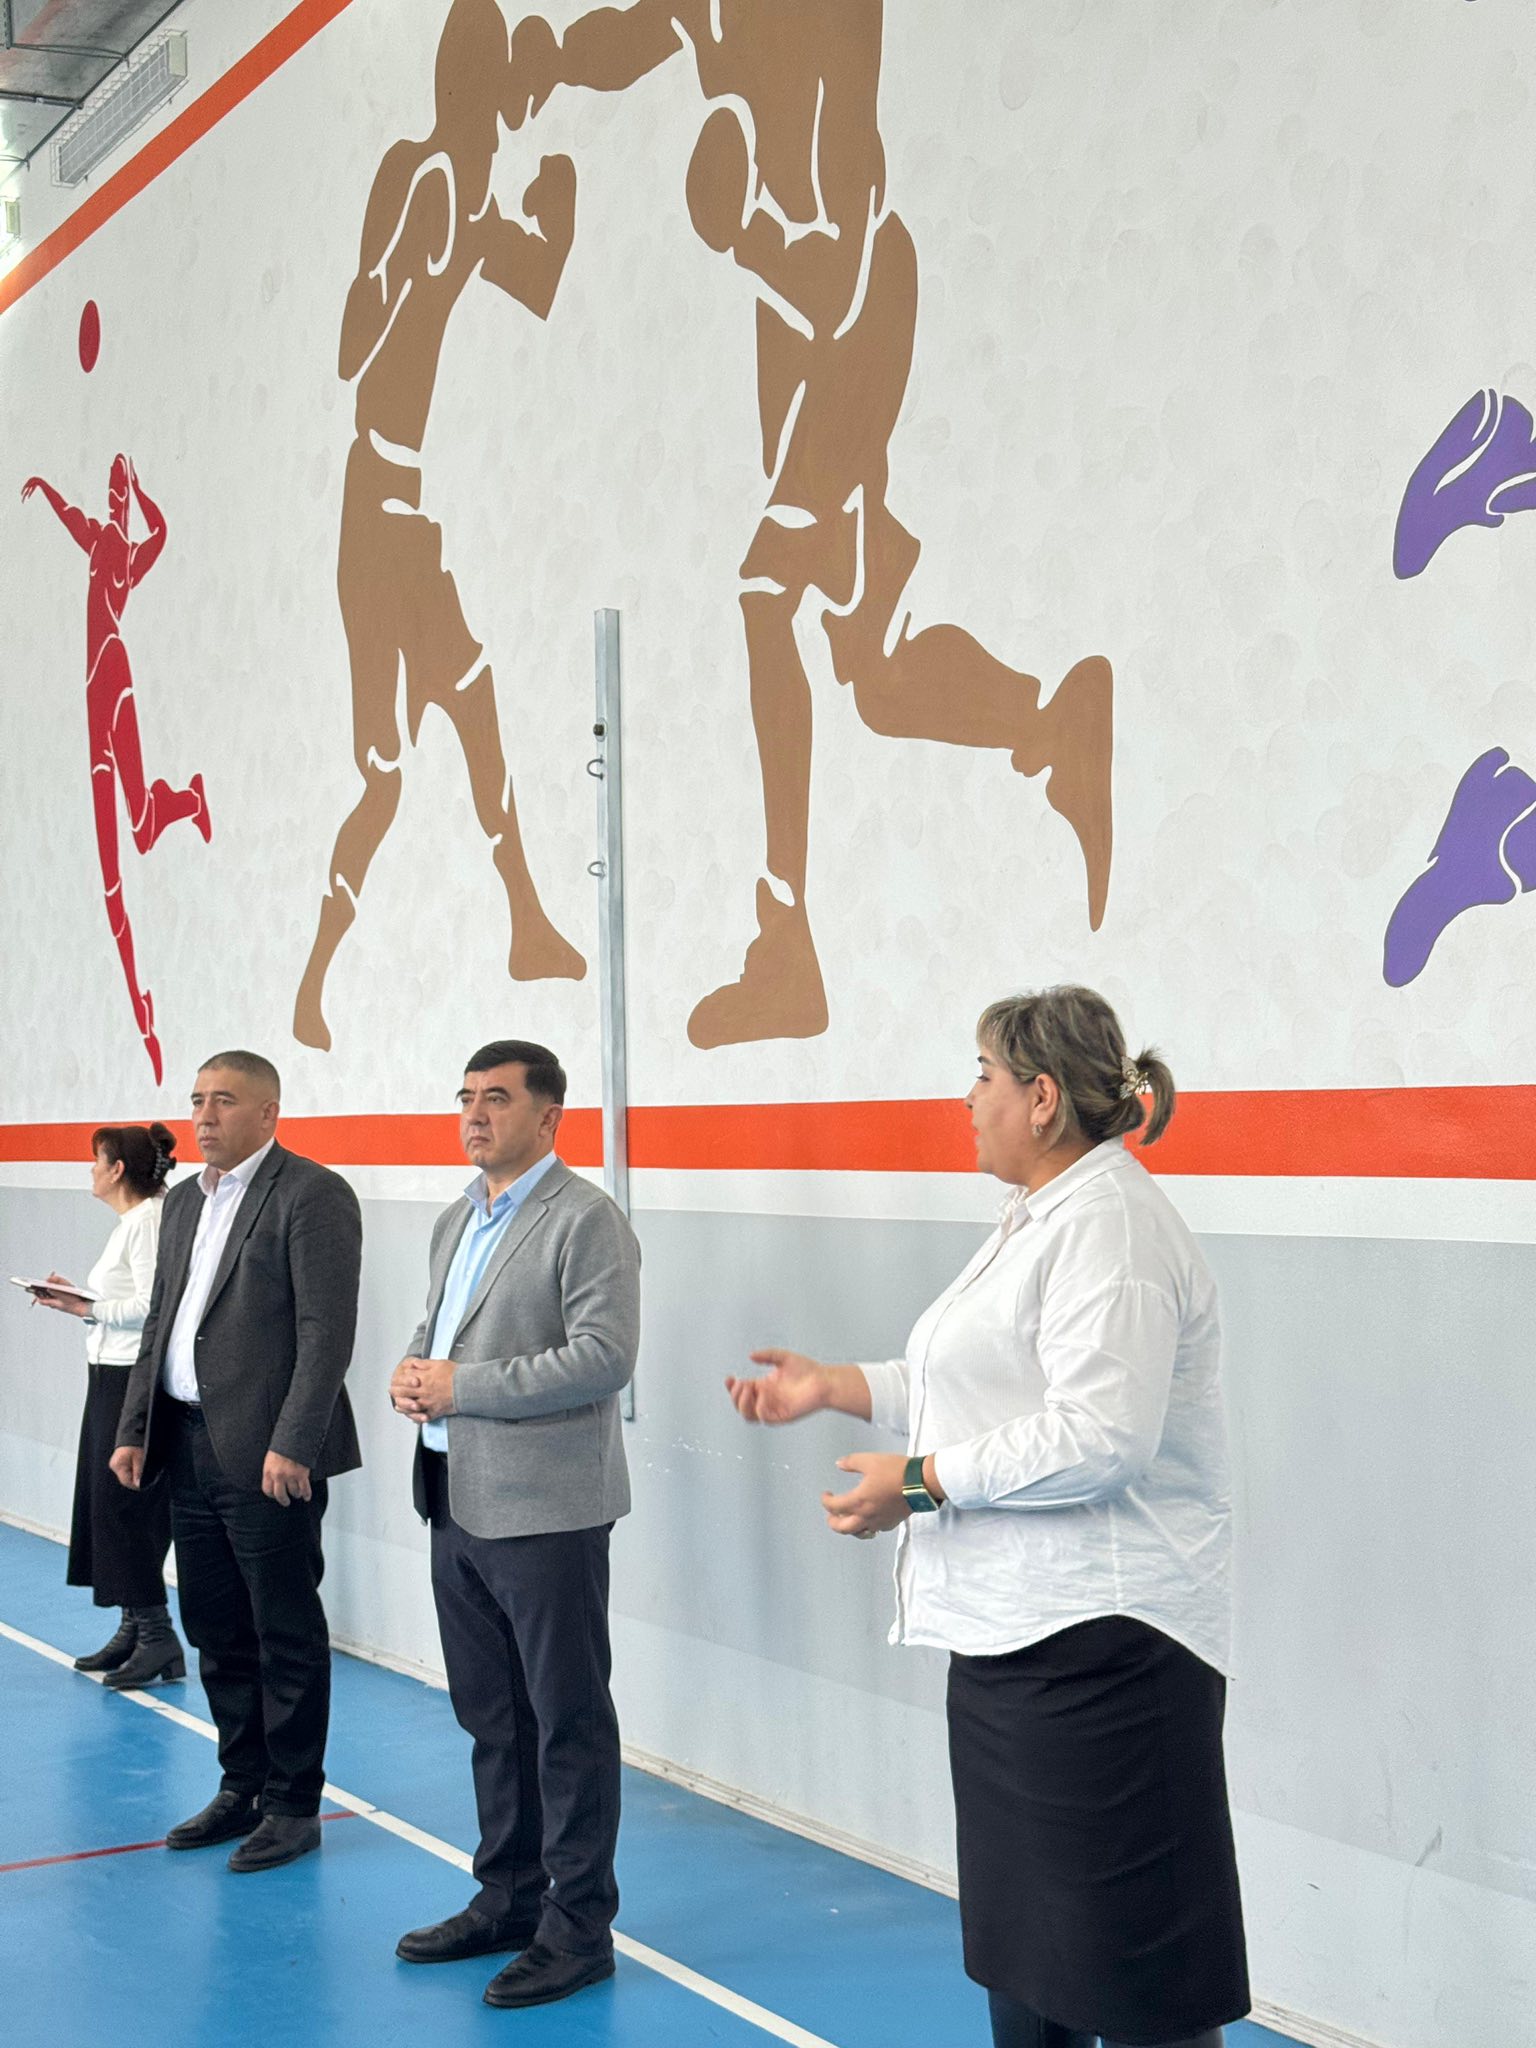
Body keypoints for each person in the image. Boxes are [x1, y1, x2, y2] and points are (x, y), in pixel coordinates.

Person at [504, 0, 1113, 1048]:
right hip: (791, 331)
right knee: (872, 672)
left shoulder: (825, 30)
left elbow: (836, 278)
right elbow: (636, 36)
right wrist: (553, 60)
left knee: (767, 592)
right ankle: (1052, 725)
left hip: (852, 305)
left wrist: (740, 233)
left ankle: (785, 946)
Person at [726, 986, 1249, 2048]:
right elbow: (975, 1385)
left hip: (1108, 1656)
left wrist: (917, 1483)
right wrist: (835, 1385)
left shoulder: (1111, 1227)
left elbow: (1101, 1436)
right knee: (1032, 1963)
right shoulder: (1042, 1215)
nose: (968, 1098)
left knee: (1135, 1981)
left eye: (983, 1074)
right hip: (1018, 1645)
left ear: (1042, 1097)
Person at [292, 0, 584, 1055]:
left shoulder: (468, 197)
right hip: (374, 510)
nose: (504, 113)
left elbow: (537, 282)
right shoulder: (420, 175)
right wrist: (393, 269)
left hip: (406, 514)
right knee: (385, 773)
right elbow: (349, 345)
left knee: (473, 694)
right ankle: (315, 981)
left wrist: (557, 200)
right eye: (496, 88)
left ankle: (528, 924)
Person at [390, 1038, 640, 2010]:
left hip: (546, 1513)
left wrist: (462, 1386)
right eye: (466, 1096)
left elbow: (604, 1357)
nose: (475, 1113)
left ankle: (578, 1931)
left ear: (548, 1114)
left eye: (496, 1097)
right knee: (493, 1720)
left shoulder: (585, 1217)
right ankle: (507, 1898)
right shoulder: (458, 1217)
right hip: (455, 1499)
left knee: (566, 1722)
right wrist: (415, 1370)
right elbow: (439, 1334)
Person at [110, 1051, 363, 1874]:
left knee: (283, 1630)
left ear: (268, 1112)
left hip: (268, 1456)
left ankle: (293, 1805)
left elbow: (326, 1333)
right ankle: (241, 1785)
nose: (205, 1116)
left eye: (223, 1101)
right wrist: (136, 1427)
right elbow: (162, 1322)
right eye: (197, 1101)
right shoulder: (186, 1200)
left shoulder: (312, 1195)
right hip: (187, 1444)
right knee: (215, 1626)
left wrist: (294, 1441)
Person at [20, 456, 211, 1082]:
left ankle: (182, 802)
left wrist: (142, 491)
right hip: (93, 690)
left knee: (134, 839)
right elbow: (72, 517)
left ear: (123, 500)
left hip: (112, 672)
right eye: (111, 488)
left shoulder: (126, 552)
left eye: (116, 490)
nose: (111, 497)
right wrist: (48, 487)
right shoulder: (104, 540)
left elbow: (161, 532)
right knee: (120, 857)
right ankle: (181, 803)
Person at [28, 1123, 186, 1690]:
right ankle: (134, 1627)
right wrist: (82, 1299)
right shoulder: (134, 1223)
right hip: (109, 1376)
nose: (91, 1170)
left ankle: (158, 1635)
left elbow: (152, 1306)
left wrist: (86, 1307)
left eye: (97, 1161)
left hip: (129, 1380)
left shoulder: (148, 1223)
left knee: (125, 1507)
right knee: (107, 1504)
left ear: (118, 1169)